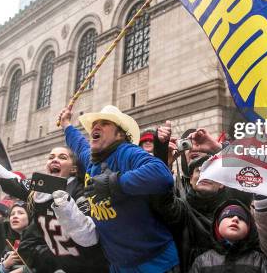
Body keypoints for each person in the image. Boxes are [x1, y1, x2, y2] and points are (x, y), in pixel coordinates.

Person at [0, 135, 109, 273]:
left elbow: (89, 236)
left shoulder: (81, 190)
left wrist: (64, 206)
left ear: (74, 168)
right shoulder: (39, 190)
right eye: (51, 157)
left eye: (62, 157)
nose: (54, 160)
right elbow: (3, 177)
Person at [59, 104, 179, 272]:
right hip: (120, 266)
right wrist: (66, 124)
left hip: (156, 262)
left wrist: (114, 183)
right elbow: (78, 143)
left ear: (120, 134)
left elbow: (162, 174)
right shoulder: (92, 159)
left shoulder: (127, 152)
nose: (96, 126)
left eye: (105, 123)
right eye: (94, 124)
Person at [190, 200, 266, 272]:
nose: (235, 219)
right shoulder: (202, 261)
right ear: (217, 226)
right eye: (229, 216)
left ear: (249, 229)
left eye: (241, 218)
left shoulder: (259, 260)